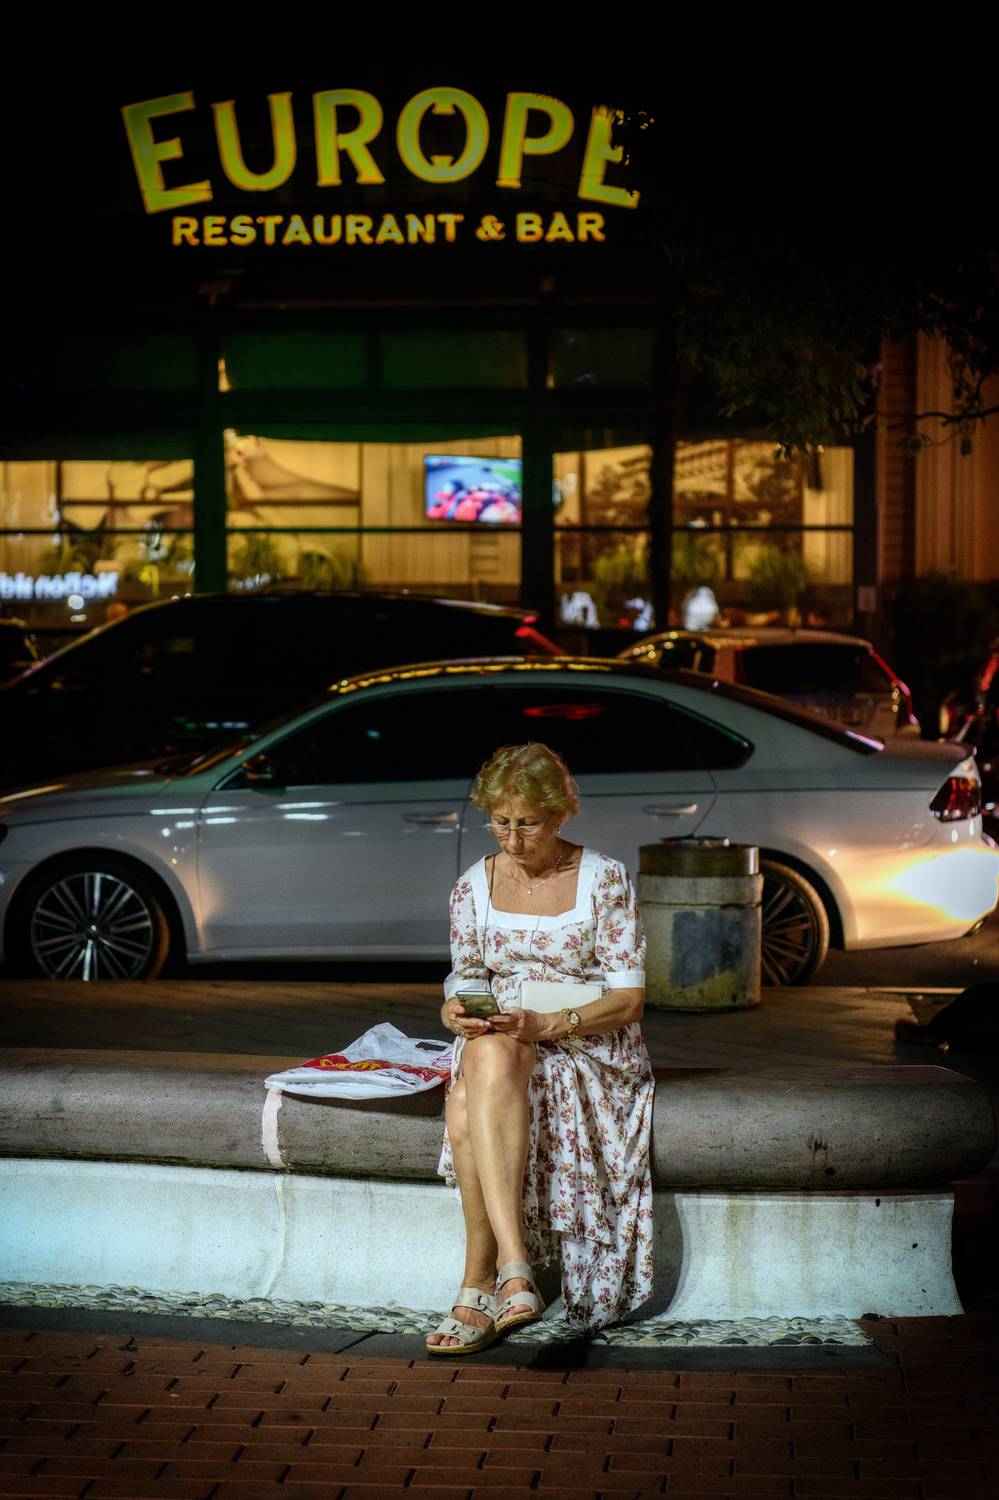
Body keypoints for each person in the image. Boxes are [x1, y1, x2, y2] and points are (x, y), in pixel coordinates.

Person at [427, 742, 654, 1355]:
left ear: (558, 815)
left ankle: (481, 1282)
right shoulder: (473, 885)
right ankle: (516, 1270)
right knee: (486, 1056)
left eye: (526, 823)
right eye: (500, 822)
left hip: (584, 1040)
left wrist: (551, 1022)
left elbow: (629, 1000)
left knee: (466, 1103)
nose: (512, 837)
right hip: (503, 1037)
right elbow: (465, 979)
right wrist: (455, 1011)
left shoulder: (603, 878)